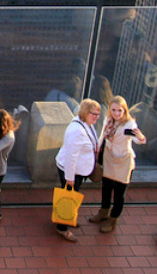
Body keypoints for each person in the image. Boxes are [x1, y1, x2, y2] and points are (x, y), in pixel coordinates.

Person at [89, 96, 146, 233]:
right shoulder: (108, 120)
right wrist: (96, 151)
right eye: (113, 110)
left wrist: (141, 138)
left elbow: (137, 139)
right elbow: (103, 135)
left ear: (124, 110)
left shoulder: (129, 124)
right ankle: (104, 211)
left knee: (119, 193)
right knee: (106, 187)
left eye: (119, 110)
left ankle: (113, 219)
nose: (116, 113)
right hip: (109, 156)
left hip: (123, 160)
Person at [54, 98, 102, 242]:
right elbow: (71, 156)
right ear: (85, 113)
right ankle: (62, 228)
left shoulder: (86, 124)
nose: (96, 117)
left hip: (78, 170)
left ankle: (67, 220)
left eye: (98, 114)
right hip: (72, 171)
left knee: (70, 197)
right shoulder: (77, 130)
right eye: (93, 114)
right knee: (68, 198)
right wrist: (70, 178)